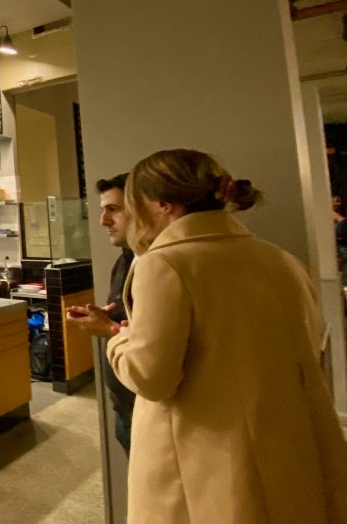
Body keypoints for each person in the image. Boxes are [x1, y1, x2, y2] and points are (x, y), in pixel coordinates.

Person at [109, 149, 347, 523]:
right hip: (294, 452)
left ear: (162, 204)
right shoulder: (281, 260)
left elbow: (151, 377)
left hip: (209, 464)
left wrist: (119, 339)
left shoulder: (165, 264)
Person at [65, 173, 136, 453]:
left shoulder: (159, 266)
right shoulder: (125, 260)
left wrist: (109, 329)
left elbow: (160, 350)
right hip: (125, 404)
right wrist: (106, 319)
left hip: (150, 410)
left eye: (114, 209)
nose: (103, 221)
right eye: (103, 210)